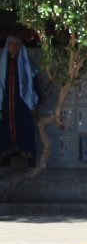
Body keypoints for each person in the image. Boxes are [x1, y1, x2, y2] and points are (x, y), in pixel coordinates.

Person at [0, 36, 39, 166]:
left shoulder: (27, 65)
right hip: (6, 106)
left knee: (25, 131)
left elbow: (34, 84)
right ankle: (5, 162)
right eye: (11, 44)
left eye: (17, 44)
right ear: (7, 46)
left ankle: (31, 163)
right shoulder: (2, 65)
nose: (14, 46)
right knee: (5, 133)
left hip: (23, 105)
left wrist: (34, 102)